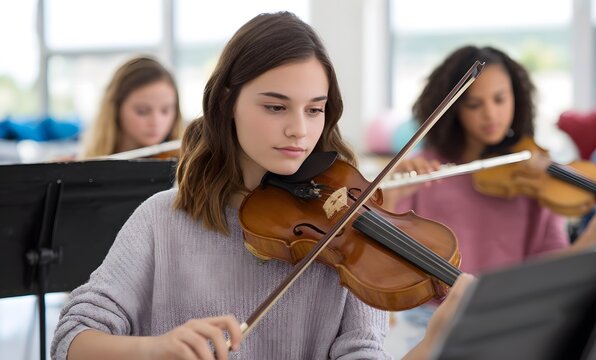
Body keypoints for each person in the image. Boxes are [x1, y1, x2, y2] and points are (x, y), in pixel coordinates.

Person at [50, 12, 473, 360]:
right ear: (225, 102)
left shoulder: (349, 235)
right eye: (275, 107)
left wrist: (432, 346)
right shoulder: (161, 220)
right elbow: (71, 339)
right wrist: (156, 349)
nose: (298, 130)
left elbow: (360, 352)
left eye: (314, 109)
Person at [382, 45, 570, 353]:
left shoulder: (531, 172)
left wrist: (591, 239)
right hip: (430, 319)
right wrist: (390, 195)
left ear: (517, 99)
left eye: (500, 99)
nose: (490, 114)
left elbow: (550, 268)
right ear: (454, 108)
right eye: (473, 104)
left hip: (509, 318)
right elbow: (385, 263)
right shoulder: (425, 170)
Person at [80, 56, 185, 158]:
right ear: (116, 109)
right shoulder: (87, 168)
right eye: (142, 111)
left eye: (165, 110)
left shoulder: (184, 164)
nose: (156, 121)